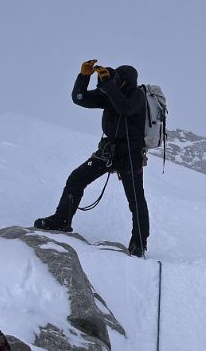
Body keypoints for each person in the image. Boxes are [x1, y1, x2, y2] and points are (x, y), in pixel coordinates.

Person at [34, 59, 150, 257]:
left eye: (118, 78)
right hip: (108, 151)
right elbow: (79, 98)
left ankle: (139, 243)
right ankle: (62, 221)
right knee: (76, 178)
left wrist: (107, 86)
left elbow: (124, 108)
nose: (115, 81)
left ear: (127, 81)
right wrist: (84, 77)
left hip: (130, 154)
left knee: (135, 199)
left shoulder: (137, 95)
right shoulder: (111, 95)